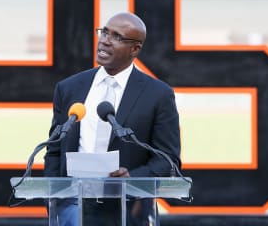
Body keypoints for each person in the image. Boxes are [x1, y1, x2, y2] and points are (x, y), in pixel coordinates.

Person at [44, 12, 181, 226]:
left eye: (117, 37)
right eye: (104, 32)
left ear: (135, 49)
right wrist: (53, 198)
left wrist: (132, 178)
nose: (105, 40)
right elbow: (54, 150)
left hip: (128, 209)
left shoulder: (158, 94)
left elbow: (168, 159)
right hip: (73, 208)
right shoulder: (69, 88)